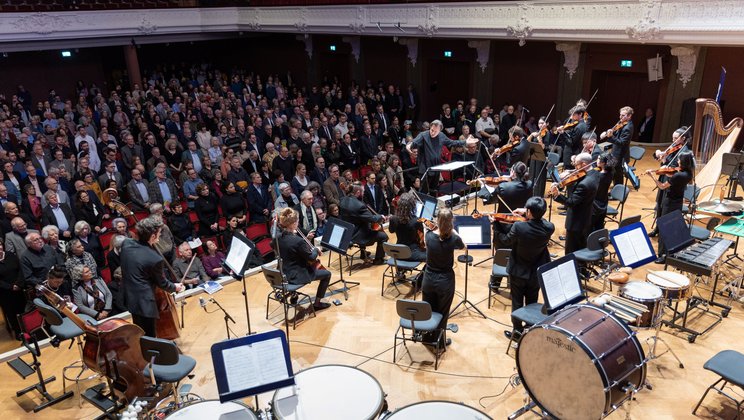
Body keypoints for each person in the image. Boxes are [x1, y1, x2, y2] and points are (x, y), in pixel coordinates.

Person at [494, 197, 554, 339]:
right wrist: (529, 213)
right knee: (532, 300)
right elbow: (542, 221)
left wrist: (495, 225)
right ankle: (530, 329)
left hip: (518, 270)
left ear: (529, 212)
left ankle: (517, 331)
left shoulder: (519, 227)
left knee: (517, 301)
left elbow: (505, 240)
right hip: (536, 272)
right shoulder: (549, 227)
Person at [120, 217, 185, 337]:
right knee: (149, 335)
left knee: (140, 331)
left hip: (129, 296)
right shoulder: (155, 259)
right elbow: (162, 283)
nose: (160, 234)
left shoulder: (126, 244)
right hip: (145, 302)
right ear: (153, 236)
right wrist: (175, 287)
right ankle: (151, 354)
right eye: (159, 232)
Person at [422, 208, 464, 347]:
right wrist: (454, 231)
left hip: (428, 279)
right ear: (451, 221)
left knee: (428, 309)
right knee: (442, 312)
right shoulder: (454, 238)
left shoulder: (428, 236)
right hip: (445, 281)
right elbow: (465, 247)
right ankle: (439, 342)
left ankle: (426, 337)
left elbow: (426, 243)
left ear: (437, 220)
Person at [276, 208, 332, 310]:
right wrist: (316, 249)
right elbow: (311, 257)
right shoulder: (298, 241)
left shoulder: (278, 238)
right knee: (327, 274)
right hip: (297, 275)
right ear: (292, 224)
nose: (298, 223)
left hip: (283, 273)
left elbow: (274, 246)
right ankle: (317, 303)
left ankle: (292, 294)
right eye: (297, 221)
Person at [645, 152, 695, 263]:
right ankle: (671, 251)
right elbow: (671, 173)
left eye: (679, 160)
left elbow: (662, 186)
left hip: (670, 203)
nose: (677, 161)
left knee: (664, 228)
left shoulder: (678, 175)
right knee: (671, 227)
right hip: (678, 203)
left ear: (683, 162)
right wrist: (658, 170)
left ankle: (663, 255)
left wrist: (652, 176)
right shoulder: (688, 173)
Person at [406, 120, 478, 194]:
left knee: (434, 191)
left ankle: (433, 205)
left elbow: (453, 142)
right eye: (432, 130)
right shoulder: (423, 135)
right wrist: (408, 145)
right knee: (423, 192)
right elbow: (413, 143)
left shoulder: (441, 136)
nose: (433, 133)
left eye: (436, 131)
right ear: (430, 127)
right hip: (426, 170)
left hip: (436, 168)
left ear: (440, 130)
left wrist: (465, 142)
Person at [550, 152, 600, 255]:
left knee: (571, 251)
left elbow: (571, 202)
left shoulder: (584, 185)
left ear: (583, 164)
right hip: (586, 216)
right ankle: (581, 267)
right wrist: (570, 172)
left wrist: (557, 195)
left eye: (576, 164)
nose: (575, 167)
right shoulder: (595, 173)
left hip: (576, 220)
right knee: (581, 246)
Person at [648, 126, 691, 237]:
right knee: (659, 204)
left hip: (672, 180)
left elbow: (677, 167)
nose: (673, 141)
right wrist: (658, 154)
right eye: (673, 138)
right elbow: (662, 161)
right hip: (664, 176)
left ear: (683, 138)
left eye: (676, 138)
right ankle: (657, 228)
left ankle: (663, 231)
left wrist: (664, 160)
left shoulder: (685, 151)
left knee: (665, 205)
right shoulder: (674, 146)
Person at [339, 182, 389, 265]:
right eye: (363, 192)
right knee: (384, 237)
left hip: (348, 233)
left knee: (362, 224)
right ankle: (378, 260)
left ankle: (363, 254)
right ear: (358, 193)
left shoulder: (343, 200)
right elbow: (372, 218)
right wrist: (381, 216)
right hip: (358, 236)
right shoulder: (359, 206)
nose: (363, 193)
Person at [600, 106, 634, 186]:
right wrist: (607, 132)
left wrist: (610, 136)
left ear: (629, 116)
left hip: (620, 155)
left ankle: (617, 190)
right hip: (616, 152)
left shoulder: (628, 128)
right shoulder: (621, 123)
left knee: (618, 174)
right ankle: (615, 189)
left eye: (623, 115)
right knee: (614, 173)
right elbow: (615, 132)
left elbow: (622, 142)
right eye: (620, 115)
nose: (620, 117)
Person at [387, 192, 426, 262]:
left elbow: (391, 231)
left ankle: (400, 270)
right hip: (412, 253)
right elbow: (423, 238)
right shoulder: (416, 221)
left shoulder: (393, 219)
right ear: (412, 206)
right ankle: (423, 273)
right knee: (432, 255)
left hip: (398, 252)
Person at [0, 242, 25, 338]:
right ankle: (19, 333)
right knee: (11, 313)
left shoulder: (10, 255)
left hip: (19, 288)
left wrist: (18, 284)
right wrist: (11, 287)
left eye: (0, 244)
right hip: (4, 293)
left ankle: (28, 329)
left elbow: (20, 270)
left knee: (23, 310)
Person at [591, 153, 615, 232]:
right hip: (603, 202)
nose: (596, 160)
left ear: (603, 163)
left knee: (591, 225)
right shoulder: (610, 172)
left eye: (598, 159)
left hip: (595, 204)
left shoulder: (598, 176)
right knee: (599, 225)